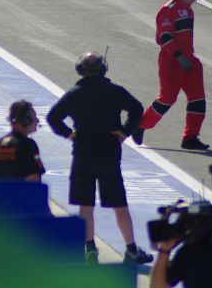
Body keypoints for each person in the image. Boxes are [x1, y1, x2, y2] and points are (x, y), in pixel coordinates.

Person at [46, 52, 152, 266]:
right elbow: (137, 108)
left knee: (86, 205)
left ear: (80, 69)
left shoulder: (75, 93)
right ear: (103, 69)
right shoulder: (114, 91)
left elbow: (53, 117)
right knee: (119, 204)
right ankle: (131, 250)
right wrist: (124, 131)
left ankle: (90, 249)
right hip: (108, 153)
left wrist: (69, 134)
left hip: (83, 152)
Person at [132, 0, 208, 150]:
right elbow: (164, 37)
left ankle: (190, 138)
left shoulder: (188, 10)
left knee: (198, 100)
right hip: (172, 62)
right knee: (167, 99)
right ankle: (141, 125)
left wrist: (188, 59)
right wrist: (179, 57)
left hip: (190, 62)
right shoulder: (168, 10)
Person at [0, 100, 46, 182]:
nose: (37, 121)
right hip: (19, 193)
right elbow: (33, 178)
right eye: (34, 117)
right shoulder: (27, 145)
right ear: (26, 120)